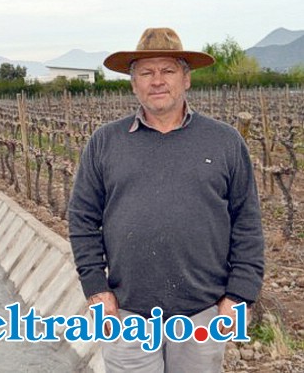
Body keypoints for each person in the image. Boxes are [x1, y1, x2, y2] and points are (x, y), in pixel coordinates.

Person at [68, 27, 264, 372]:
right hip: (127, 312)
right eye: (146, 72)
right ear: (133, 83)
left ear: (186, 79)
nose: (157, 80)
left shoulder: (224, 141)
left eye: (168, 70)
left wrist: (240, 294)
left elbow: (246, 221)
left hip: (203, 312)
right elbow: (82, 218)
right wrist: (96, 287)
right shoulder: (105, 142)